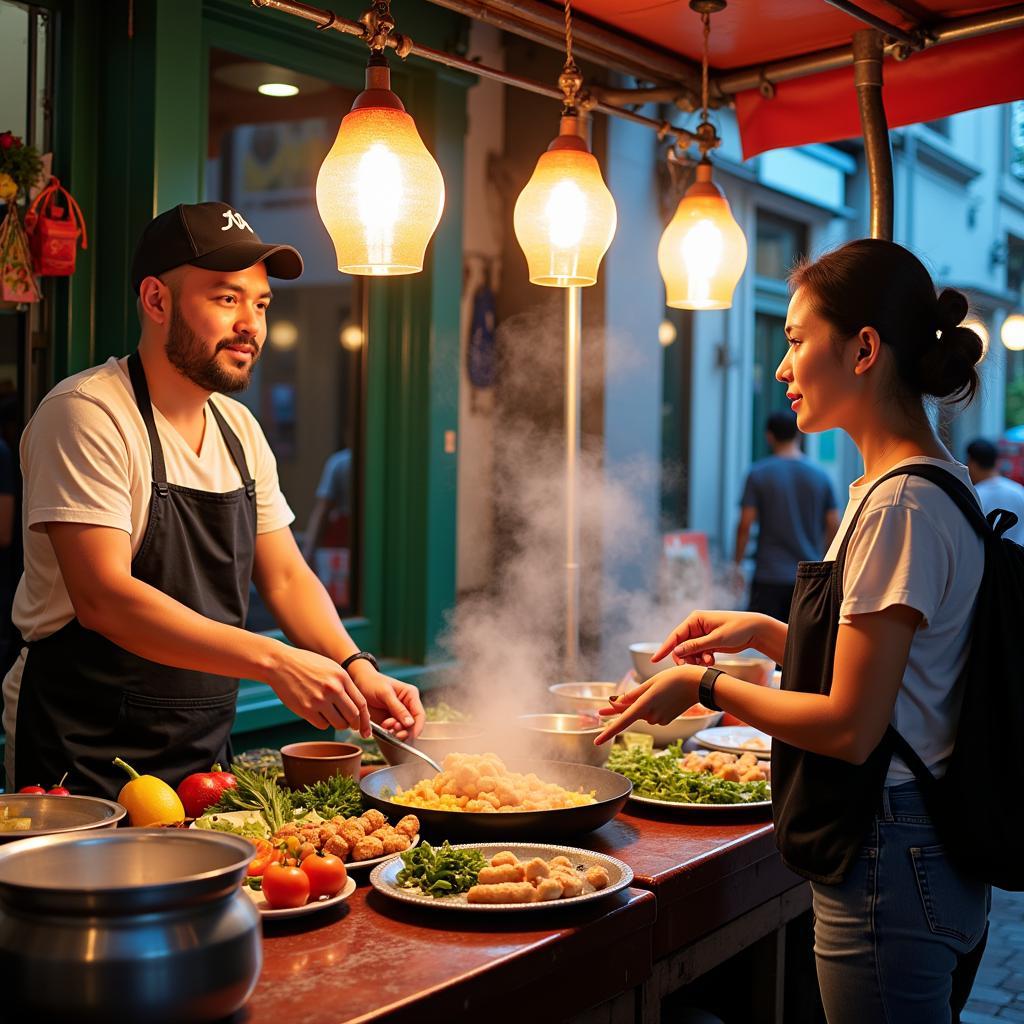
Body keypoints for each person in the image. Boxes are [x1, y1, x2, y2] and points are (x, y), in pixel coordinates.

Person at [596, 239, 989, 1023]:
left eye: (795, 340)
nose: (781, 368)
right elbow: (901, 677)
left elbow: (849, 725)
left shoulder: (900, 504)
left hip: (887, 850)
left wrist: (704, 685)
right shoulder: (927, 482)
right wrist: (771, 636)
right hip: (924, 852)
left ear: (864, 349)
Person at [3, 201, 424, 798]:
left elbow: (284, 578)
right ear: (156, 300)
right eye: (227, 299)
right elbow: (104, 597)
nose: (251, 324)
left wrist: (358, 666)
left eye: (260, 303)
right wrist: (275, 662)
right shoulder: (87, 415)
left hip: (202, 752)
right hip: (83, 751)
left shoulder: (239, 430)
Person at [734, 409, 838, 620]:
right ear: (798, 434)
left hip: (768, 576)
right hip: (808, 578)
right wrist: (825, 567)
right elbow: (834, 526)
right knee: (799, 649)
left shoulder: (758, 474)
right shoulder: (821, 476)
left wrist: (736, 565)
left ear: (769, 436)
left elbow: (745, 524)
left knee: (760, 647)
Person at [965, 437, 1024, 545]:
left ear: (971, 463)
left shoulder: (973, 496)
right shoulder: (1019, 491)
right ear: (997, 461)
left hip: (987, 560)